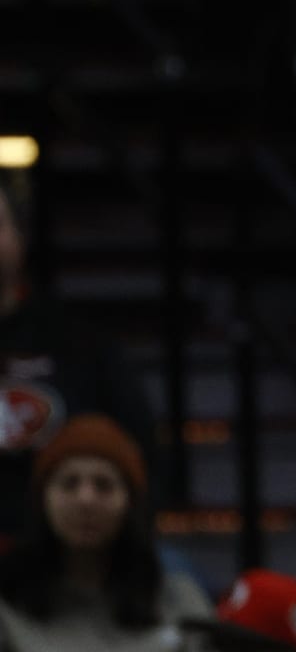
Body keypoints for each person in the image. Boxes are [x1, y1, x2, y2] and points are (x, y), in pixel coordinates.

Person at [0, 183, 159, 541]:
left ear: (20, 239)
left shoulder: (82, 344)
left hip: (64, 554)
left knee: (175, 573)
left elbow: (141, 455)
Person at [0, 414, 210, 650]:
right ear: (42, 500)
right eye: (69, 483)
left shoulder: (180, 600)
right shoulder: (7, 607)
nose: (86, 499)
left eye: (104, 485)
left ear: (131, 503)